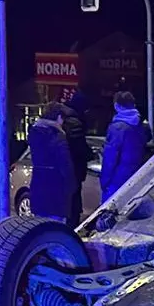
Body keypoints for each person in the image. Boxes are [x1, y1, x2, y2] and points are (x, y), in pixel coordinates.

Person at [27, 104, 73, 222]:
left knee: (40, 224)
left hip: (39, 184)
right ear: (58, 117)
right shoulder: (56, 135)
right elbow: (64, 163)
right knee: (56, 226)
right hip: (56, 187)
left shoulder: (35, 133)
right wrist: (71, 184)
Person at [100, 91, 147, 202]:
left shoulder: (117, 128)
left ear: (116, 106)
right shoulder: (142, 124)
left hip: (117, 179)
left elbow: (110, 159)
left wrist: (104, 181)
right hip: (137, 175)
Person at [62, 90, 93, 221]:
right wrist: (90, 154)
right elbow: (79, 147)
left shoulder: (66, 119)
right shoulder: (74, 123)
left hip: (67, 168)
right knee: (73, 205)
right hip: (73, 168)